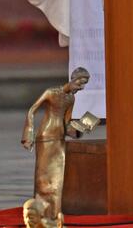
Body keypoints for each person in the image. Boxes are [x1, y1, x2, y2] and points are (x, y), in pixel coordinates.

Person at [22, 67, 99, 228]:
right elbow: (32, 110)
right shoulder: (51, 92)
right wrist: (28, 134)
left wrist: (81, 128)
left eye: (84, 85)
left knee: (56, 178)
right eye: (80, 82)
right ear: (73, 78)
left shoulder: (71, 99)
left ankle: (53, 216)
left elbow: (66, 123)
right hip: (46, 136)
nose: (81, 87)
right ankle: (39, 213)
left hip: (59, 137)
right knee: (43, 177)